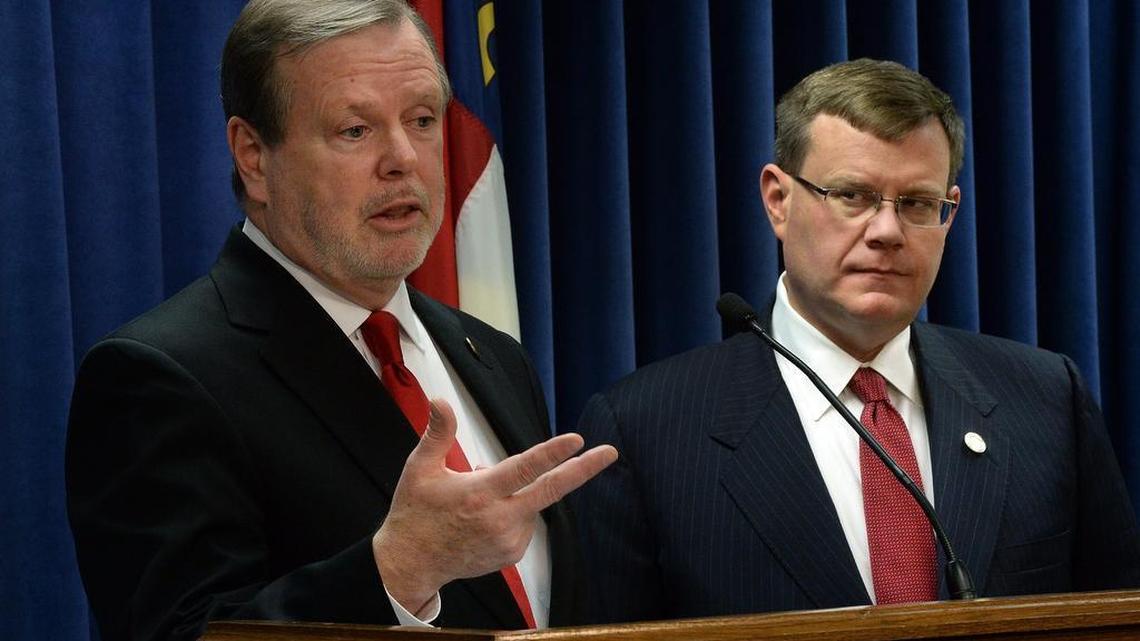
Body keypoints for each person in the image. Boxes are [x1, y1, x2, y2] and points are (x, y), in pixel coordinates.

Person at [65, 2, 616, 640]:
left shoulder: (492, 355)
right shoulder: (158, 377)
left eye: (422, 119)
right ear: (253, 155)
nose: (403, 158)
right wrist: (399, 568)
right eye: (355, 130)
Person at [571, 58, 1140, 622]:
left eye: (917, 203)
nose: (887, 232)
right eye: (852, 195)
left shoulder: (1046, 399)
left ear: (948, 213)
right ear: (778, 200)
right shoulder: (644, 432)